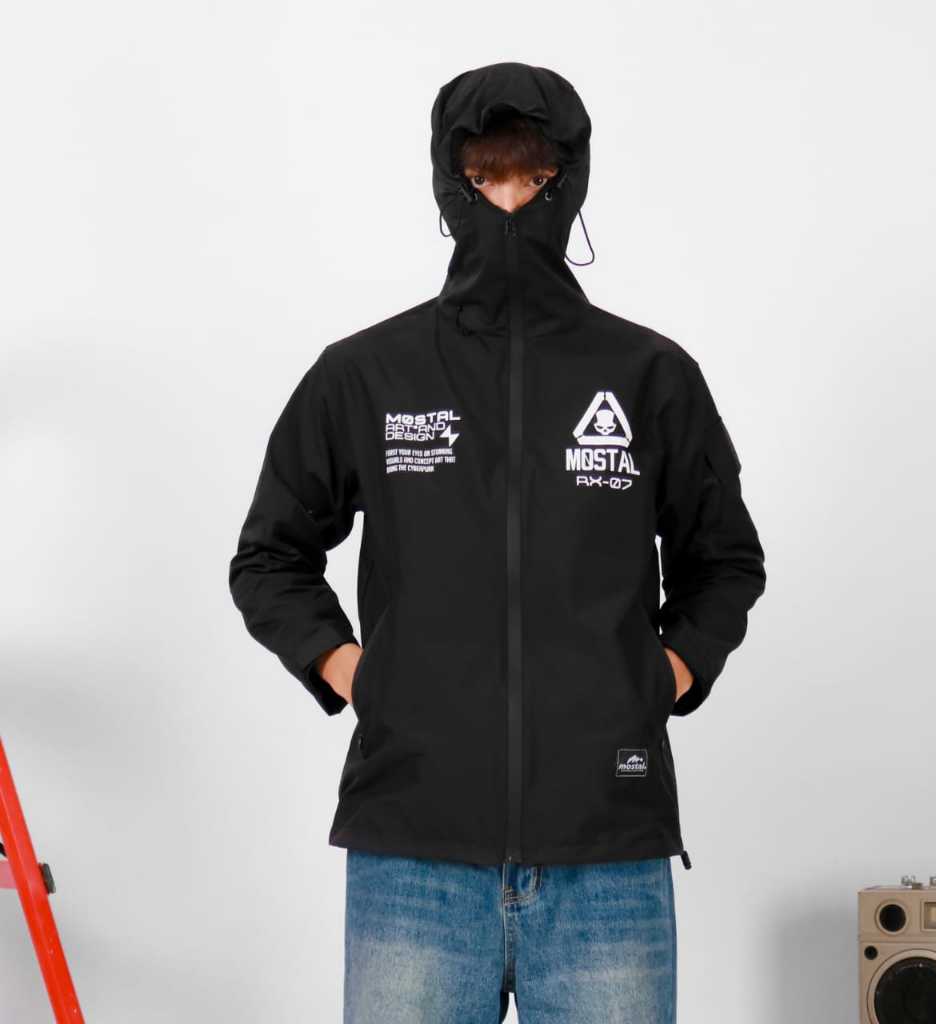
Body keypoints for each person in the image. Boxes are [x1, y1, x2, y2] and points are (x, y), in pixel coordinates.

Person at [228, 61, 766, 1023]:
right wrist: (357, 673)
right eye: (486, 178)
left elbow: (724, 560)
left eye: (534, 177)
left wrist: (663, 675)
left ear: (571, 181)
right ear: (450, 185)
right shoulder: (367, 374)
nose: (510, 203)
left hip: (608, 858)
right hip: (413, 856)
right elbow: (270, 555)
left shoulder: (649, 374)